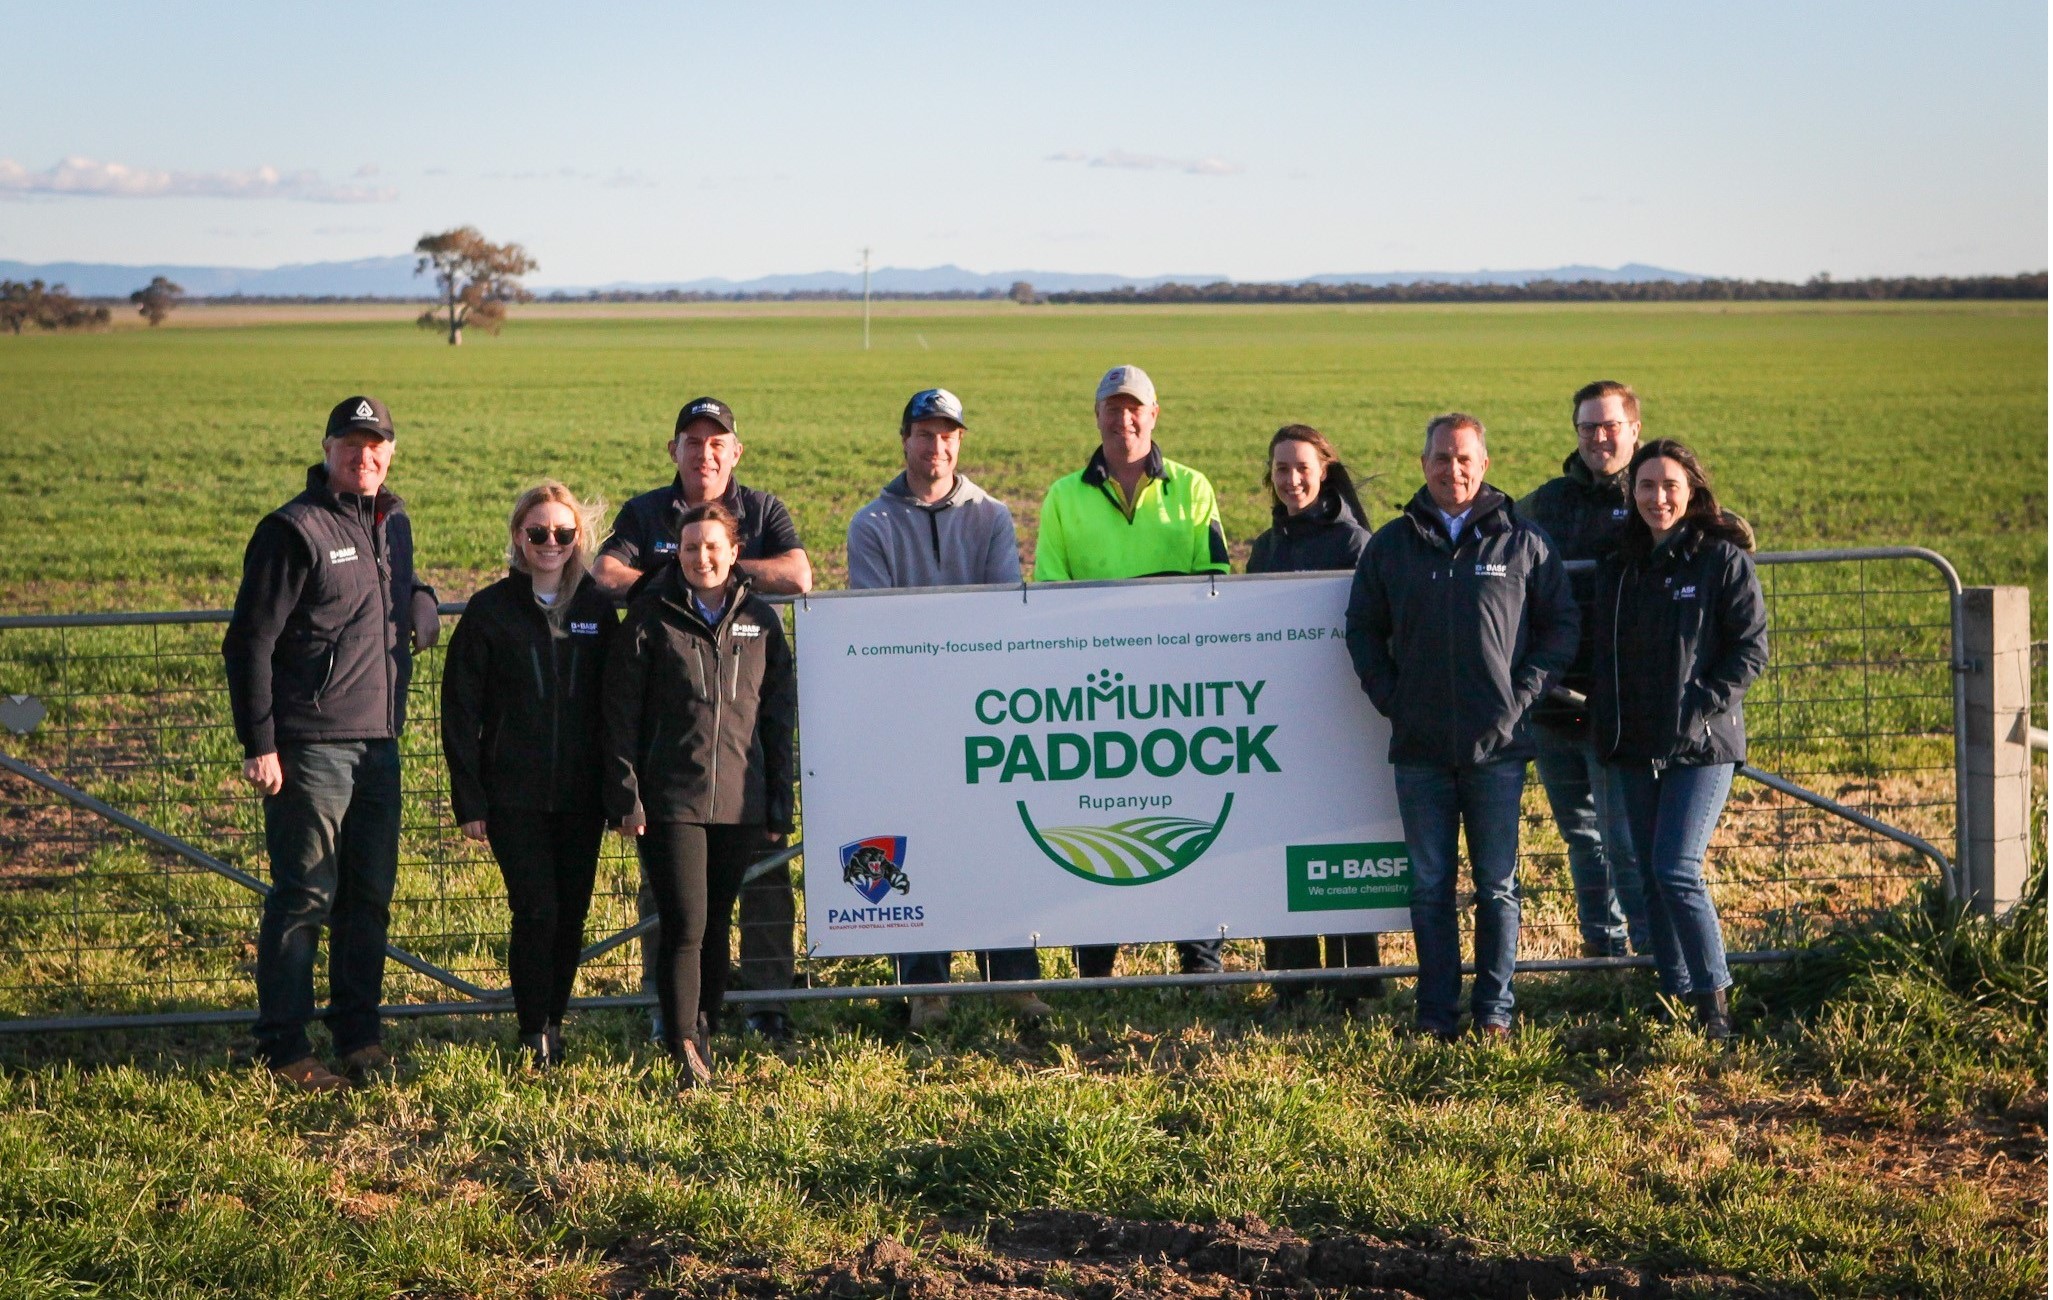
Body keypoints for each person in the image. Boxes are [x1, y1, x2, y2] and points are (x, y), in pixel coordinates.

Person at [222, 395, 440, 1091]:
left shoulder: (392, 519)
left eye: (375, 444)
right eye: (350, 443)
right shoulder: (294, 529)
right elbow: (249, 640)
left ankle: (359, 1035)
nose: (364, 455)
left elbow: (384, 587)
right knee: (305, 894)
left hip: (380, 741)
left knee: (368, 896)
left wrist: (424, 596)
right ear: (326, 448)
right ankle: (284, 1049)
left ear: (391, 452)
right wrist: (260, 742)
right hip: (312, 745)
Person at [1344, 412, 1577, 1040]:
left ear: (1485, 464)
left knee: (1498, 887)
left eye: (1465, 458)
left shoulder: (1523, 543)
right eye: (1442, 458)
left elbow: (1561, 629)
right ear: (1424, 465)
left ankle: (1495, 1011)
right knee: (1429, 889)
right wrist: (1391, 696)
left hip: (1498, 748)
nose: (1454, 469)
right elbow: (1362, 629)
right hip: (1418, 748)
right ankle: (1436, 1011)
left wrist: (1521, 695)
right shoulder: (1391, 545)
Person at [591, 396, 809, 1043]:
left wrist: (717, 566)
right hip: (675, 745)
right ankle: (669, 1005)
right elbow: (605, 570)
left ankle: (767, 997)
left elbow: (797, 572)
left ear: (735, 451)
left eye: (717, 442)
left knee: (765, 877)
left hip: (744, 741)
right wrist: (680, 577)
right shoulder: (644, 512)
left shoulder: (763, 510)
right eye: (692, 441)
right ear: (674, 451)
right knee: (672, 891)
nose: (704, 453)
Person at [846, 387, 1053, 1030]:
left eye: (948, 434)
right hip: (905, 718)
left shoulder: (991, 517)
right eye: (924, 433)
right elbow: (879, 627)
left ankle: (1014, 981)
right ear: (903, 439)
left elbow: (998, 613)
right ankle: (927, 990)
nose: (936, 445)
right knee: (916, 845)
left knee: (1000, 839)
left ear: (960, 442)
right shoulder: (870, 525)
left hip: (984, 712)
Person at [1032, 364, 1230, 980]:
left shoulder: (1194, 488)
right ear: (1096, 417)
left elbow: (1215, 581)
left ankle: (1198, 957)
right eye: (1112, 410)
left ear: (1154, 414)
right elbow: (1049, 591)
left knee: (1188, 811)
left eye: (1134, 408)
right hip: (1096, 692)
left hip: (1178, 689)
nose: (1124, 421)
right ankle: (1095, 960)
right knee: (1098, 813)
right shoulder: (1065, 495)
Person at [1590, 439, 1767, 1041]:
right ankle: (1673, 991)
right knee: (1644, 869)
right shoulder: (1621, 565)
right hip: (1634, 742)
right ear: (1631, 493)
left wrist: (1698, 708)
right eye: (1646, 485)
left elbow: (1750, 650)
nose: (1657, 497)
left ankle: (1715, 1001)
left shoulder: (1721, 561)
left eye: (1669, 485)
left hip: (1703, 743)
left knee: (1676, 867)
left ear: (1691, 490)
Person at [440, 482, 617, 1069]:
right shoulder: (490, 611)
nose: (550, 542)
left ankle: (554, 1023)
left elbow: (617, 705)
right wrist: (470, 798)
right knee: (536, 907)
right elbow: (460, 710)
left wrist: (619, 790)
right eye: (538, 532)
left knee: (572, 913)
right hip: (513, 795)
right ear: (518, 536)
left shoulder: (595, 607)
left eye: (563, 534)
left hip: (581, 796)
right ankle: (531, 1029)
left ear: (577, 539)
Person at [1246, 425, 1384, 1014]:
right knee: (1282, 843)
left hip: (1341, 714)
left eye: (1301, 467)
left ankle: (1356, 981)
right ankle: (1292, 978)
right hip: (1279, 722)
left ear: (1324, 471)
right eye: (1281, 469)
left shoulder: (1354, 545)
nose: (1291, 479)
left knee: (1338, 845)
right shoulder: (1265, 547)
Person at [1518, 380, 1651, 958]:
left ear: (1633, 430)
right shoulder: (1547, 502)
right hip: (1553, 696)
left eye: (1610, 425)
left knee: (1622, 837)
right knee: (1580, 833)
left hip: (1618, 698)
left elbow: (1714, 531)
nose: (1599, 437)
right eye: (1588, 427)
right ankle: (1603, 945)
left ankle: (1649, 948)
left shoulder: (1654, 493)